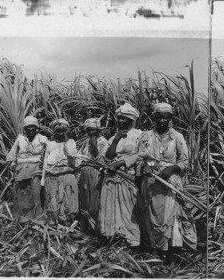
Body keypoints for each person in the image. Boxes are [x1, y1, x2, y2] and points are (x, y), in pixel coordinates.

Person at [136, 102, 197, 253]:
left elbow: (184, 161)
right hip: (150, 181)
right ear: (154, 117)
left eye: (165, 118)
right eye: (158, 118)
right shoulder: (145, 136)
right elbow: (139, 158)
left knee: (170, 215)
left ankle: (171, 250)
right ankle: (155, 248)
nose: (162, 121)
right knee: (152, 214)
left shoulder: (177, 137)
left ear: (170, 118)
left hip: (169, 181)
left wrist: (170, 169)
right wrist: (144, 168)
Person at [99, 104, 142, 246]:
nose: (121, 121)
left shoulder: (139, 135)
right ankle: (114, 238)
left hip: (128, 176)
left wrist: (122, 162)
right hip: (112, 176)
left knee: (128, 208)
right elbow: (109, 157)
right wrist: (117, 138)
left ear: (131, 120)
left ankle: (131, 239)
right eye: (119, 119)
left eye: (124, 119)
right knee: (112, 207)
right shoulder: (113, 137)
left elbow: (141, 155)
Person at [6, 116, 48, 221]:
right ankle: (21, 218)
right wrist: (13, 164)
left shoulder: (42, 139)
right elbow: (12, 154)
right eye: (28, 127)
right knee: (22, 192)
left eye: (32, 127)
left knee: (36, 192)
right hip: (21, 169)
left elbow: (50, 151)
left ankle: (37, 218)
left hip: (36, 168)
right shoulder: (20, 139)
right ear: (25, 129)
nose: (30, 130)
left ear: (36, 128)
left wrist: (46, 163)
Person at [42, 118, 78, 225]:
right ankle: (55, 223)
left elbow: (72, 155)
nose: (61, 134)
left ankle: (69, 223)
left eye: (64, 131)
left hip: (67, 175)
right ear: (54, 132)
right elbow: (46, 162)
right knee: (54, 200)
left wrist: (66, 141)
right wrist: (43, 181)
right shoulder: (50, 144)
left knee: (68, 199)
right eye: (58, 131)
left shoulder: (71, 142)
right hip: (52, 176)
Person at [77, 118, 109, 232]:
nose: (91, 133)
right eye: (88, 130)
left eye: (93, 130)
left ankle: (95, 228)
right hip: (85, 173)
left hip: (96, 174)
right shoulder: (85, 142)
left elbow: (102, 162)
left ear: (98, 129)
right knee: (84, 199)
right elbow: (79, 157)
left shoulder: (103, 142)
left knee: (94, 199)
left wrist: (95, 147)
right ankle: (86, 228)